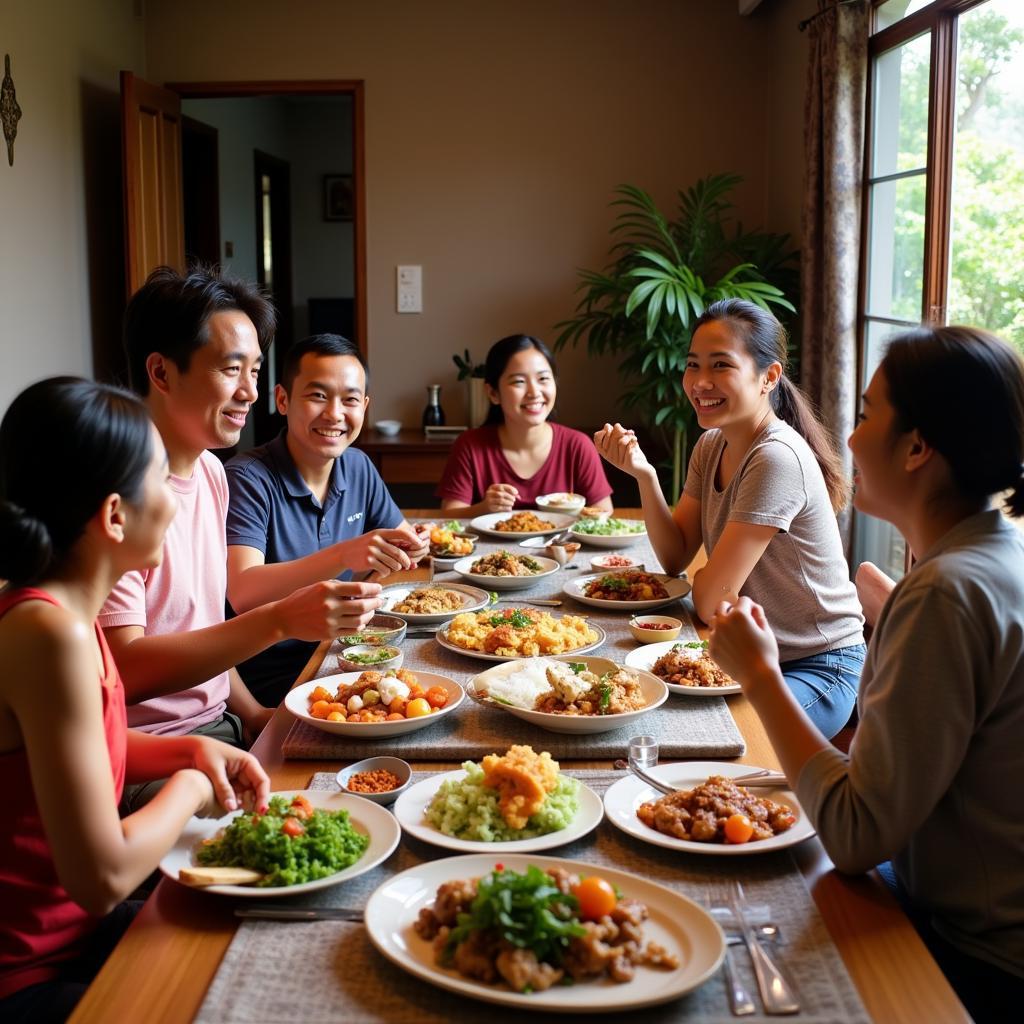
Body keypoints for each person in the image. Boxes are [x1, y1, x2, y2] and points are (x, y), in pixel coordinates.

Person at [707, 325, 1024, 1022]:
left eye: (865, 414)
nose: (847, 440)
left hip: (978, 956)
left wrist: (760, 678)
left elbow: (854, 837)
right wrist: (891, 616)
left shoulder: (947, 593)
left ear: (918, 447)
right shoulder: (985, 560)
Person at [0, 377, 270, 1023]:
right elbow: (103, 877)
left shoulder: (67, 608)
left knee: (254, 944)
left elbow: (74, 752)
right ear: (115, 514)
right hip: (28, 970)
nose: (176, 504)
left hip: (71, 938)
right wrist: (191, 784)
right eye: (160, 482)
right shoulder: (48, 631)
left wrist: (189, 747)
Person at [99, 267, 381, 811]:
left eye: (254, 370)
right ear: (161, 371)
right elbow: (124, 670)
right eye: (231, 370)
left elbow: (204, 628)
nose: (250, 392)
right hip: (149, 756)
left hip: (224, 726)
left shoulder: (208, 472)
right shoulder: (117, 497)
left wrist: (252, 713)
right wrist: (278, 620)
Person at [594, 299, 864, 739]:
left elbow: (709, 600)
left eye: (721, 365)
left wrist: (711, 585)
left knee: (708, 733)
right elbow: (674, 556)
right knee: (633, 705)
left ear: (769, 377)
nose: (700, 382)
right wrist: (644, 475)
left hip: (818, 666)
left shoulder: (775, 457)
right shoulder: (713, 444)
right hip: (752, 655)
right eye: (693, 365)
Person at [225, 334, 428, 706]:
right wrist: (344, 555)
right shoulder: (247, 479)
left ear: (364, 406)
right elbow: (243, 592)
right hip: (273, 676)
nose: (335, 414)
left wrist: (413, 543)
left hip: (341, 655)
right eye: (318, 396)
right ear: (282, 400)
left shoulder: (357, 465)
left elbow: (398, 540)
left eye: (350, 399)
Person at [437, 334, 614, 516]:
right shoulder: (469, 445)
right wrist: (483, 508)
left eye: (543, 379)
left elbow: (604, 511)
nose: (534, 392)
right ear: (493, 393)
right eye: (519, 381)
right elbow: (449, 514)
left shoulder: (578, 445)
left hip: (564, 545)